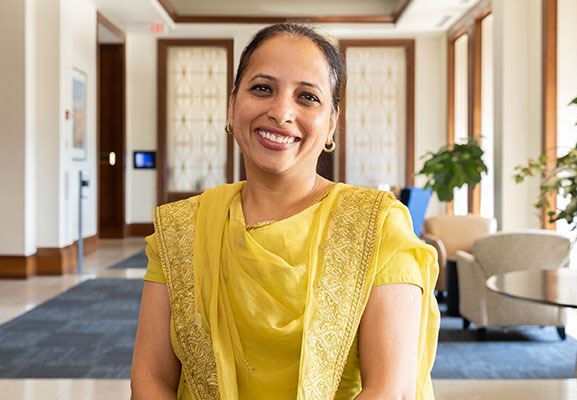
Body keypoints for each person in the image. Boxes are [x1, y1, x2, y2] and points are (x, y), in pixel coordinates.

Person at [131, 23, 440, 400]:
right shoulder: (181, 229)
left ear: (332, 124)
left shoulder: (377, 226)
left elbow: (390, 391)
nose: (281, 112)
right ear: (231, 106)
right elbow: (150, 381)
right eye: (262, 88)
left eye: (307, 97)